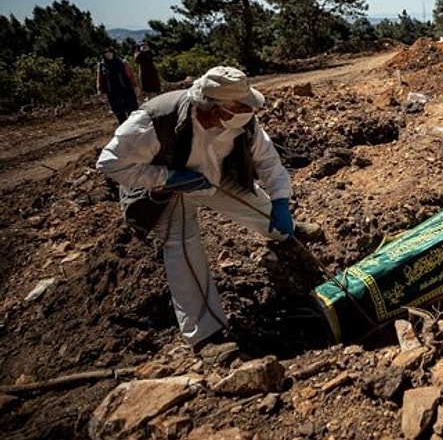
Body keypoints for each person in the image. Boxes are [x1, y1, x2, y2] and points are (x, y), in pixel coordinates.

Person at [96, 66, 297, 353]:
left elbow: (267, 161)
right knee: (182, 245)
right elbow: (110, 163)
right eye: (240, 105)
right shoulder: (154, 122)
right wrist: (165, 178)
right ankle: (207, 335)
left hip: (211, 176)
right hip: (169, 189)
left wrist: (281, 201)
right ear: (215, 110)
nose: (248, 109)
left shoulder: (243, 121)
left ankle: (287, 238)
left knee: (265, 211)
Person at [97, 46, 139, 124]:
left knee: (132, 112)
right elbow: (100, 79)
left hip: (126, 90)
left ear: (113, 53)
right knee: (119, 114)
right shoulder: (102, 66)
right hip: (113, 93)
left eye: (110, 52)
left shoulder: (122, 63)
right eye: (106, 53)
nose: (108, 54)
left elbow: (130, 75)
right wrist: (100, 91)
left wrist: (135, 86)